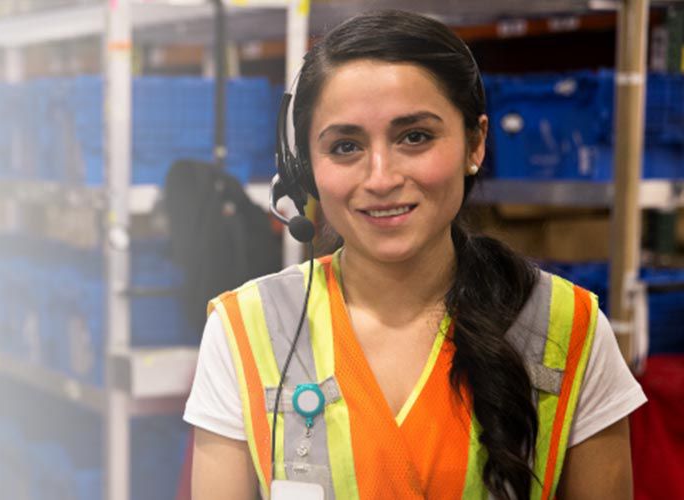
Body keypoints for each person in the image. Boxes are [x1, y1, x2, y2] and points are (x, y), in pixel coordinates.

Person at [183, 10, 647, 500]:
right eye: (345, 146)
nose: (380, 178)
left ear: (475, 143)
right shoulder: (245, 332)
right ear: (305, 169)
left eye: (415, 137)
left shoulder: (567, 328)